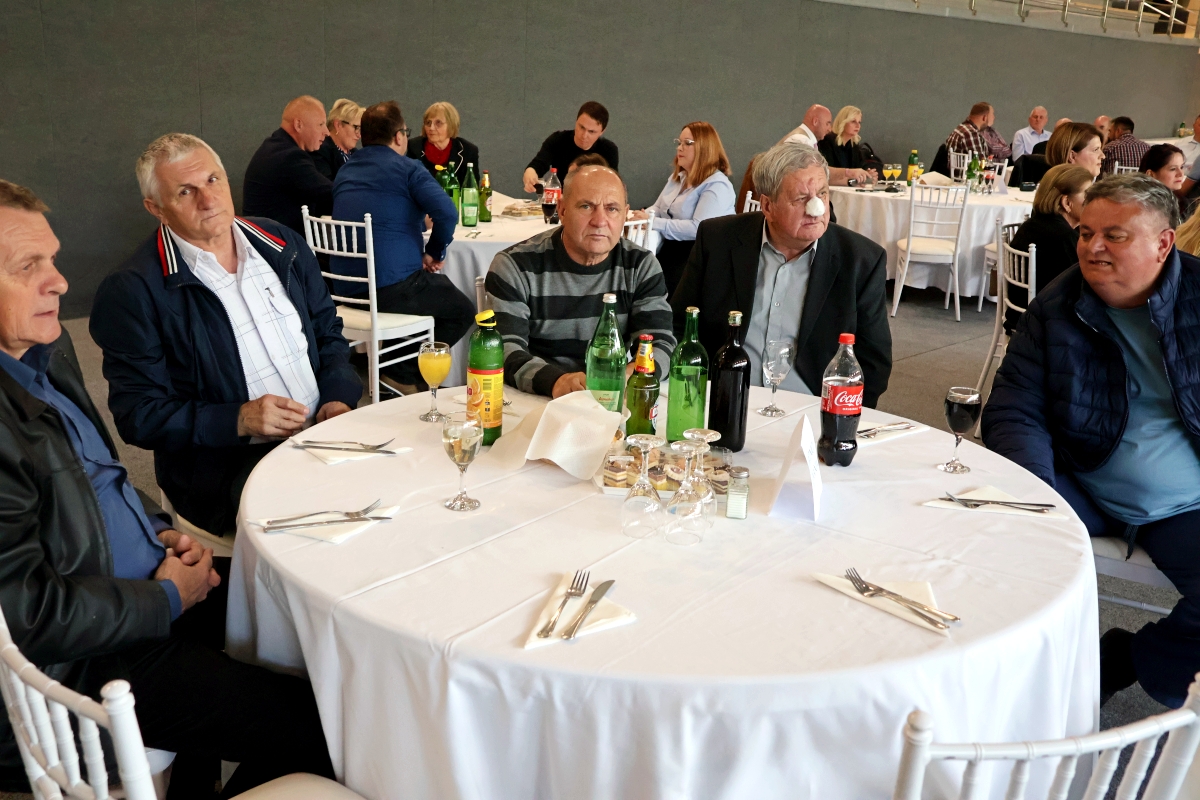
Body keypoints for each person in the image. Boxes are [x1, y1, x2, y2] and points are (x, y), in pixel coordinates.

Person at [0, 179, 337, 796]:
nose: (60, 283)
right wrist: (165, 599)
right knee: (331, 727)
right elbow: (22, 614)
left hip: (139, 587)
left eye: (52, 259)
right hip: (88, 659)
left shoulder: (44, 354)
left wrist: (160, 533)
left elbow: (102, 479)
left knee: (315, 621)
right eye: (29, 267)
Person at [981, 175, 1197, 709]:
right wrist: (1036, 494)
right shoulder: (1059, 305)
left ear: (1163, 243)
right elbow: (1014, 406)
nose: (1092, 248)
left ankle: (1126, 659)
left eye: (1114, 236)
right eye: (1084, 233)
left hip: (1185, 507)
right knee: (972, 532)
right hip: (1079, 480)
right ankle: (988, 682)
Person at [90, 133, 361, 537]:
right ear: (156, 208)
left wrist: (337, 396)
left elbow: (328, 332)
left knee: (403, 486)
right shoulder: (133, 290)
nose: (208, 199)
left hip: (321, 433)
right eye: (185, 191)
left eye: (213, 180)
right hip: (226, 464)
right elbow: (138, 414)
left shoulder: (281, 243)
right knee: (332, 526)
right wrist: (238, 419)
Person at [672, 141, 892, 406]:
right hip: (725, 400)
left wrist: (840, 418)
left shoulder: (861, 260)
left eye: (822, 194)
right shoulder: (718, 240)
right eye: (801, 199)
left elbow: (874, 362)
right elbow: (679, 325)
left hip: (811, 408)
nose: (816, 209)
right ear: (767, 206)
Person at [486, 165, 676, 398]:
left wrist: (629, 376)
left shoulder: (640, 266)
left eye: (612, 209)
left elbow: (661, 343)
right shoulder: (516, 266)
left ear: (625, 214)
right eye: (586, 206)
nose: (600, 221)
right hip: (536, 398)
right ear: (562, 210)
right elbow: (503, 349)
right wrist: (557, 382)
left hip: (611, 399)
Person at [332, 101, 474, 393]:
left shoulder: (345, 171)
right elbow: (447, 214)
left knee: (423, 291)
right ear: (399, 137)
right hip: (389, 289)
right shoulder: (408, 169)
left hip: (346, 290)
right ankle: (400, 374)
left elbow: (384, 212)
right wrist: (434, 252)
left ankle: (395, 372)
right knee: (460, 308)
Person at [630, 122, 736, 296]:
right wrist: (639, 217)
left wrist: (652, 222)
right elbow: (658, 207)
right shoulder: (679, 176)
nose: (679, 148)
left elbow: (698, 228)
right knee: (641, 273)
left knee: (656, 285)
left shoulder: (717, 185)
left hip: (698, 254)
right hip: (672, 247)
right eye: (679, 142)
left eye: (687, 143)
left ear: (705, 148)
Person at [1003, 165, 1092, 332]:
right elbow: (1083, 287)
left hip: (1020, 313)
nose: (1094, 201)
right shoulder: (1062, 236)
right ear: (1066, 202)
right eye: (1088, 195)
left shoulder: (1035, 224)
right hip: (1042, 323)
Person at [242, 95, 333, 234]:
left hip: (264, 238)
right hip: (276, 242)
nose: (326, 132)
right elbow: (331, 194)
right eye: (320, 124)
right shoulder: (290, 157)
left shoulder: (275, 147)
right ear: (298, 125)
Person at [522, 102, 619, 193]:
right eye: (581, 127)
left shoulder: (608, 150)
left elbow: (613, 183)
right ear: (576, 122)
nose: (584, 135)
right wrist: (530, 175)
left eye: (591, 132)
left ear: (602, 131)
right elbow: (539, 164)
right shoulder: (558, 140)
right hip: (562, 198)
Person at [406, 101, 481, 189]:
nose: (431, 128)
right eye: (428, 123)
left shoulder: (468, 151)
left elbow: (472, 188)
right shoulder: (414, 147)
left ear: (451, 125)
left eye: (438, 123)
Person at [817, 105, 883, 174]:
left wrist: (867, 174)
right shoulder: (827, 142)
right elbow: (826, 171)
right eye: (853, 121)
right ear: (843, 122)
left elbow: (858, 169)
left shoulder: (854, 145)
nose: (857, 126)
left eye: (859, 122)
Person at [311, 98, 362, 181]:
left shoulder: (357, 154)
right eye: (356, 127)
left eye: (360, 129)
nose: (359, 135)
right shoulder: (320, 151)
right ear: (338, 125)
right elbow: (326, 185)